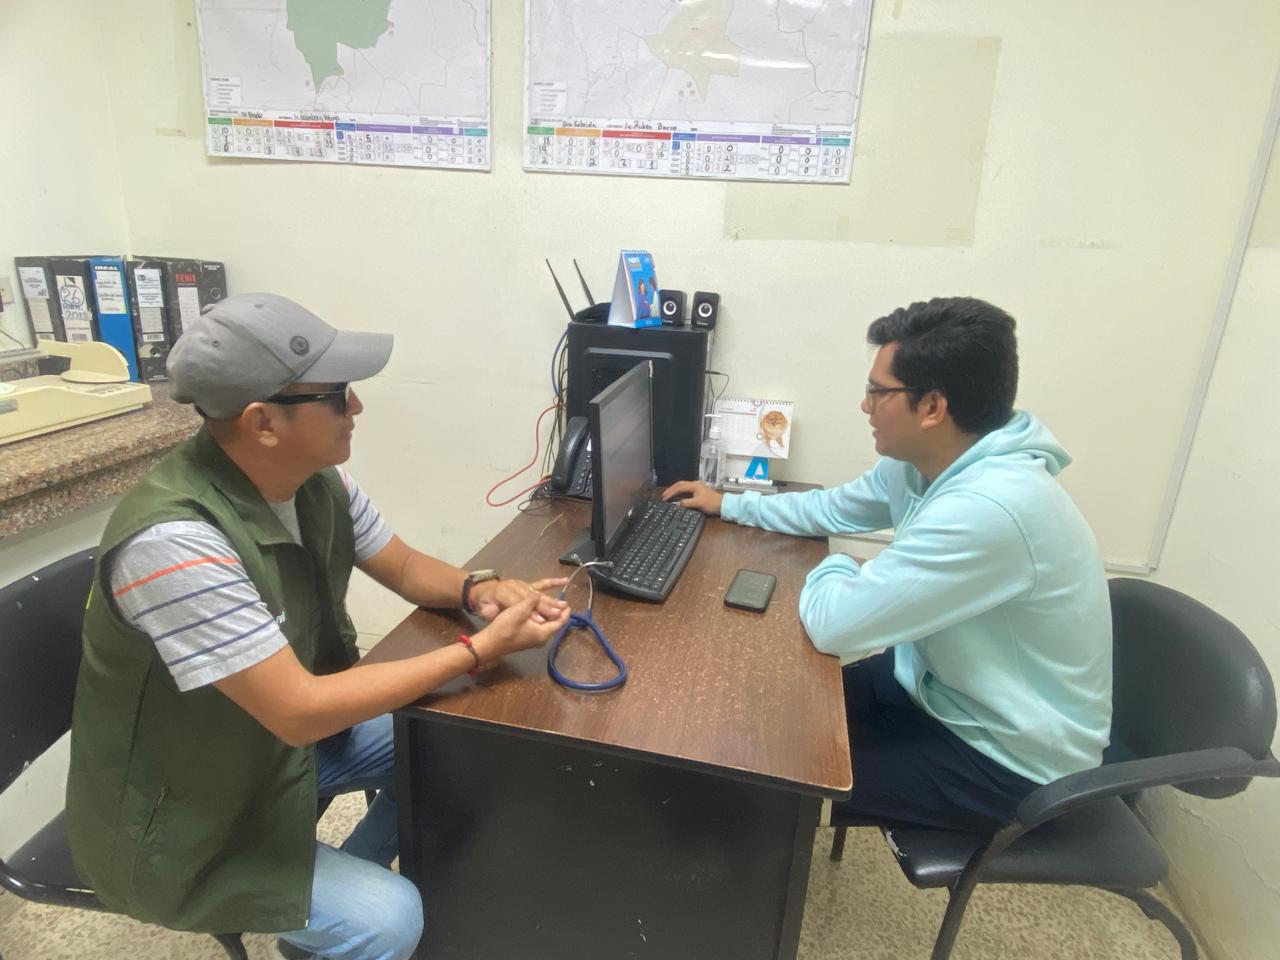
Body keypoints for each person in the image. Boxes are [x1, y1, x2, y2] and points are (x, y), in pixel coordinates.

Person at [66, 293, 571, 960]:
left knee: (463, 744)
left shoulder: (313, 482)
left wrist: (479, 589)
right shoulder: (175, 545)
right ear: (262, 422)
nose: (356, 407)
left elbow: (403, 565)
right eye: (336, 395)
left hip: (267, 745)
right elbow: (299, 712)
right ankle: (339, 921)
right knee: (388, 919)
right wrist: (477, 650)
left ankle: (317, 921)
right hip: (183, 817)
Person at [664, 296, 1111, 832]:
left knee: (769, 780)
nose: (865, 405)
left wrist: (843, 565)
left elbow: (835, 626)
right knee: (757, 720)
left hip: (1007, 757)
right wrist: (730, 504)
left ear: (932, 407)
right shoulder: (924, 462)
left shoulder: (992, 508)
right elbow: (831, 508)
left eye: (878, 392)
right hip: (935, 685)